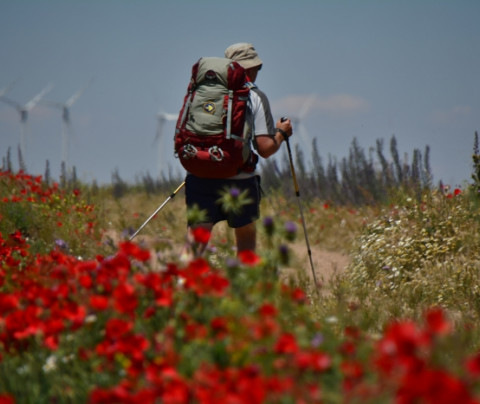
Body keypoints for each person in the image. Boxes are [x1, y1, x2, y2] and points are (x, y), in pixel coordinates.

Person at [183, 42, 293, 257]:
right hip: (239, 180)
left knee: (195, 246)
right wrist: (281, 133)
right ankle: (242, 289)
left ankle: (180, 287)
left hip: (199, 176)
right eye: (257, 68)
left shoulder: (201, 92)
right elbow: (265, 148)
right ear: (250, 69)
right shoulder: (254, 96)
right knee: (245, 242)